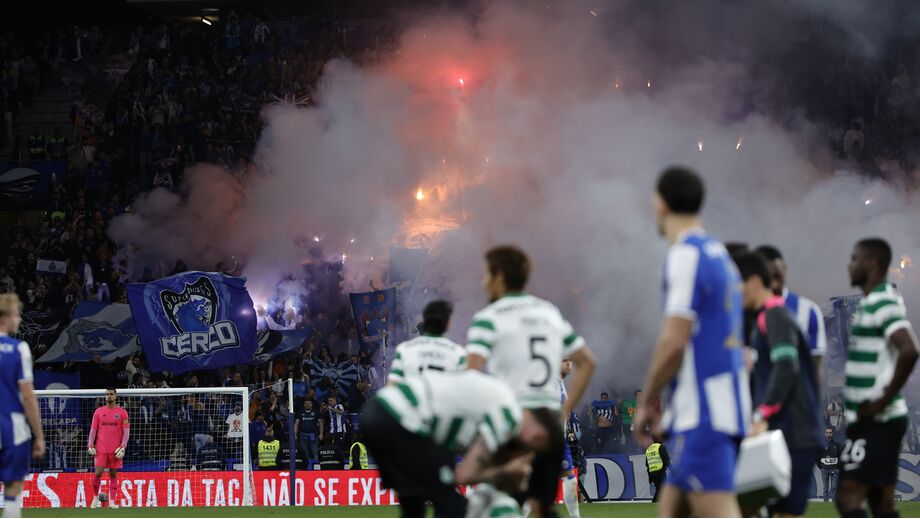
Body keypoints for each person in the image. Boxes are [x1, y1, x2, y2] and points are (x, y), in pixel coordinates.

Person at [634, 167, 749, 517]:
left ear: (661, 203)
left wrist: (646, 403)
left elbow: (674, 340)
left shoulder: (685, 254)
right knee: (671, 509)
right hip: (708, 407)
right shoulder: (719, 256)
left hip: (706, 413)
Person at [466, 245, 597, 517]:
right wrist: (565, 408)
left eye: (486, 275)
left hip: (515, 419)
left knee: (489, 503)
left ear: (500, 276)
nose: (483, 281)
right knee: (539, 507)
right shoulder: (548, 312)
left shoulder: (488, 319)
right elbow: (587, 363)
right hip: (549, 425)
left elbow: (472, 376)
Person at [362, 370, 551, 518]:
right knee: (450, 502)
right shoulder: (507, 417)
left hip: (378, 413)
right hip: (400, 419)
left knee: (413, 506)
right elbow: (463, 475)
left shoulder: (500, 404)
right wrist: (508, 471)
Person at [735, 252, 823, 517]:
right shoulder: (768, 318)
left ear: (752, 281)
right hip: (787, 433)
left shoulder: (775, 316)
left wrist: (762, 413)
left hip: (796, 435)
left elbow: (786, 367)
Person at [837, 238, 919, 518]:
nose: (850, 266)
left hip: (879, 421)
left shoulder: (883, 301)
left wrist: (881, 401)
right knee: (880, 503)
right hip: (870, 420)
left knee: (848, 498)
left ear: (871, 264)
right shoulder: (871, 303)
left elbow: (909, 350)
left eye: (855, 259)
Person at [0, 293, 45, 518]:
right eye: (17, 315)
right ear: (5, 318)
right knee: (13, 487)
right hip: (12, 427)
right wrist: (39, 436)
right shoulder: (19, 349)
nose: (19, 320)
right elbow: (28, 396)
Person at [754, 245, 827, 377]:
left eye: (777, 273)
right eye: (769, 275)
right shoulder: (745, 312)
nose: (774, 281)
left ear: (785, 270)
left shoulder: (808, 311)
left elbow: (814, 368)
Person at [388, 300, 466, 383]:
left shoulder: (403, 350)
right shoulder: (458, 353)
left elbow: (393, 386)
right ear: (448, 324)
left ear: (425, 320)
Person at [87, 387, 130, 509]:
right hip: (101, 449)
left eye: (111, 394)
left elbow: (126, 431)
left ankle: (112, 501)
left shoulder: (122, 413)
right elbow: (93, 429)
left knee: (113, 475)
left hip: (115, 450)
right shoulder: (98, 412)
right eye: (107, 394)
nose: (109, 396)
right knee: (98, 473)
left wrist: (123, 446)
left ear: (116, 396)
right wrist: (90, 444)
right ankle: (95, 498)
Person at [559, 358, 580, 518]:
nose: (569, 364)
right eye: (564, 361)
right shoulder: (548, 381)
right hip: (546, 437)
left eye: (570, 361)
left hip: (559, 439)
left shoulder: (559, 382)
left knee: (570, 478)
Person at [295, 399, 320, 470]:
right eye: (306, 403)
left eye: (309, 403)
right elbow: (296, 424)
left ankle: (317, 471)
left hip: (314, 436)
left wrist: (321, 433)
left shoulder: (315, 413)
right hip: (303, 436)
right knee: (305, 455)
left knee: (315, 454)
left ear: (311, 404)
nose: (307, 405)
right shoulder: (300, 413)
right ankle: (306, 471)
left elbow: (321, 423)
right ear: (304, 405)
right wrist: (295, 434)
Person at [820, 427, 842, 503]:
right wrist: (821, 468)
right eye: (827, 433)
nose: (828, 434)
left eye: (830, 433)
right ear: (824, 434)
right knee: (825, 488)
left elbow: (840, 457)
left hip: (834, 470)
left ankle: (833, 503)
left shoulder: (837, 445)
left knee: (834, 487)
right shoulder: (821, 445)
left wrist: (837, 468)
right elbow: (817, 457)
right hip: (824, 470)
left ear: (832, 434)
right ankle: (825, 503)